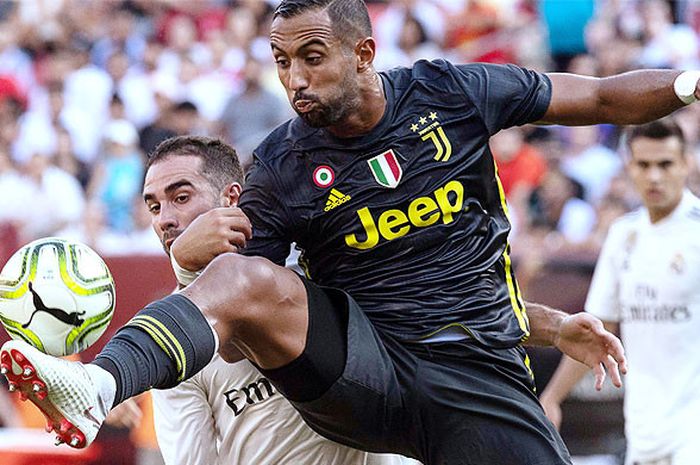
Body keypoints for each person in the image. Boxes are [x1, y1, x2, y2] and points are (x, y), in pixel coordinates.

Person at [9, 0, 700, 462]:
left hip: (476, 367)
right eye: (282, 63)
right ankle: (98, 387)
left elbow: (607, 97)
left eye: (313, 57)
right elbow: (243, 299)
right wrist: (191, 267)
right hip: (365, 372)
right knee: (241, 276)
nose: (296, 80)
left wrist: (692, 82)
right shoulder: (279, 164)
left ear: (365, 51)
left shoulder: (453, 93)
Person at [143, 136, 412, 464]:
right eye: (154, 207)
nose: (164, 220)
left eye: (181, 197)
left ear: (232, 199)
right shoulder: (173, 333)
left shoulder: (315, 274)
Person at [540, 118, 700, 465]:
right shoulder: (623, 236)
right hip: (644, 431)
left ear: (686, 163)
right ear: (629, 167)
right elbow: (597, 331)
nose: (654, 176)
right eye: (644, 165)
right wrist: (551, 398)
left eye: (665, 164)